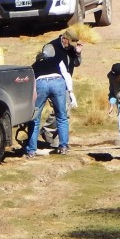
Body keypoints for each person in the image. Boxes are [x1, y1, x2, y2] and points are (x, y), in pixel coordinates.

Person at [26, 28, 81, 157]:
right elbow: (66, 75)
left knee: (35, 118)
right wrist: (72, 93)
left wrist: (33, 94)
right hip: (57, 82)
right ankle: (63, 146)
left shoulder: (34, 65)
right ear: (65, 39)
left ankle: (31, 151)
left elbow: (32, 80)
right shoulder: (56, 57)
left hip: (40, 84)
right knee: (62, 116)